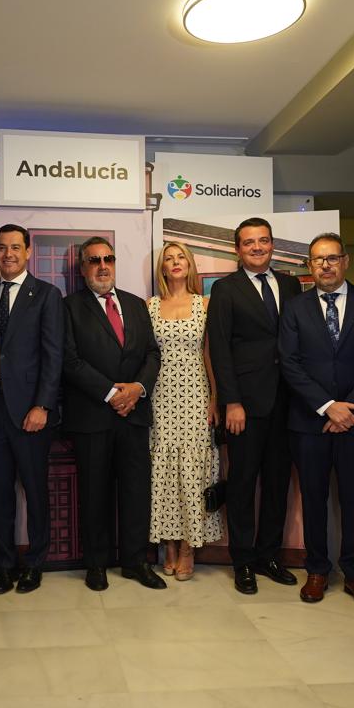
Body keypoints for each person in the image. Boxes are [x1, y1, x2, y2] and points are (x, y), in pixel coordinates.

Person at [279, 234, 354, 610]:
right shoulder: (294, 308)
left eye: (331, 258)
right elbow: (289, 363)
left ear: (345, 261)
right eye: (317, 259)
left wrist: (349, 408)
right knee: (313, 498)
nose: (325, 265)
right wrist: (327, 406)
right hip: (309, 422)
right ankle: (317, 570)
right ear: (309, 266)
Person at [62, 237, 164, 591]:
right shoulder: (69, 307)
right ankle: (96, 564)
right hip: (93, 416)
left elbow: (152, 353)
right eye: (94, 260)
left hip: (134, 414)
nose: (102, 265)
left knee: (137, 492)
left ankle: (135, 563)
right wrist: (110, 394)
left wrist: (137, 389)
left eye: (108, 259)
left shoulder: (137, 305)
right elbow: (70, 361)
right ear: (82, 267)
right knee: (95, 494)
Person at [207, 217, 302, 595]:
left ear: (272, 244)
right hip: (244, 405)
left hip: (288, 402)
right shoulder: (225, 289)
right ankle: (243, 561)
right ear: (237, 249)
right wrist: (231, 401)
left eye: (263, 241)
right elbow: (220, 349)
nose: (257, 247)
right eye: (249, 242)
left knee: (279, 484)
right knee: (244, 484)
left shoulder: (292, 284)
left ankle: (269, 556)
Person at [0, 224, 63, 594]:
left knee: (36, 492)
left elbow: (53, 356)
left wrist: (42, 405)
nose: (8, 254)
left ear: (27, 252)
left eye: (15, 248)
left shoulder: (47, 295)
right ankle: (3, 564)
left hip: (30, 414)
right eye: (1, 248)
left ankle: (35, 563)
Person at [147, 241, 222, 580]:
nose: (175, 263)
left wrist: (215, 398)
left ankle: (191, 547)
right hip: (160, 397)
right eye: (169, 259)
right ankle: (171, 544)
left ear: (190, 266)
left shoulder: (205, 305)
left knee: (194, 472)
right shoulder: (149, 307)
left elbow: (211, 355)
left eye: (181, 258)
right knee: (164, 473)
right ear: (162, 268)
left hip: (195, 395)